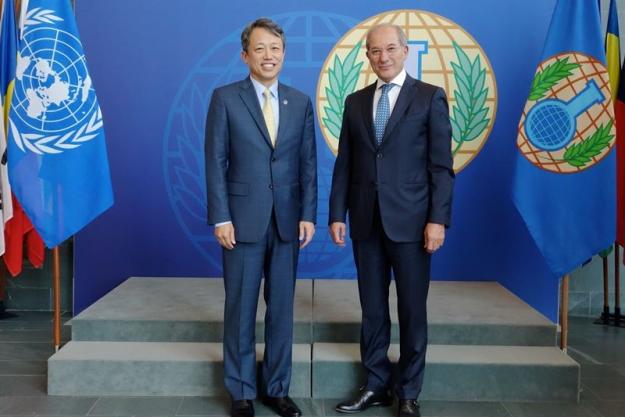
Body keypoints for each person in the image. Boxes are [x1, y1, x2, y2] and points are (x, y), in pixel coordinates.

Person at [328, 23, 454, 417]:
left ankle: (409, 393)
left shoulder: (430, 98)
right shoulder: (354, 101)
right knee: (373, 310)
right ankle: (376, 385)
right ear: (367, 56)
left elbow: (441, 167)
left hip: (414, 226)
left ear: (405, 51)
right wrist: (336, 214)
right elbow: (345, 164)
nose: (382, 57)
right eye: (374, 51)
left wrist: (438, 220)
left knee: (413, 310)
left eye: (390, 49)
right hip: (366, 223)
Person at [205, 17, 317, 417]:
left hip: (288, 221)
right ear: (245, 55)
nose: (268, 56)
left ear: (284, 54)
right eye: (260, 48)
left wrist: (308, 214)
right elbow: (215, 162)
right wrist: (220, 216)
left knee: (282, 308)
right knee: (240, 308)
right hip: (241, 220)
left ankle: (277, 388)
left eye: (275, 48)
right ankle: (241, 393)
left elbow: (308, 164)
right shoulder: (225, 98)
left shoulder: (300, 101)